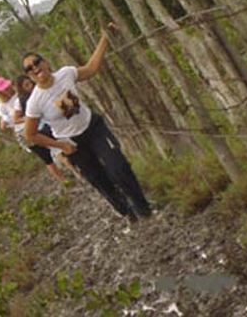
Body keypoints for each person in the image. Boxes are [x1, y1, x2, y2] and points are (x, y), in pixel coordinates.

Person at [22, 24, 151, 223]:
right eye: (29, 69)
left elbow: (91, 68)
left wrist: (104, 38)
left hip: (93, 128)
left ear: (45, 62)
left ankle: (144, 209)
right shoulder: (35, 102)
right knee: (99, 180)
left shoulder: (66, 74)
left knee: (118, 167)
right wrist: (60, 145)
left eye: (36, 62)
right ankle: (126, 212)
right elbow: (29, 135)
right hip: (72, 143)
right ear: (28, 76)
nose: (35, 68)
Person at [0, 76, 69, 185]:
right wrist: (9, 121)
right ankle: (62, 179)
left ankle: (71, 167)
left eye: (8, 86)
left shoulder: (18, 95)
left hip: (37, 124)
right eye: (5, 88)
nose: (8, 89)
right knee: (45, 156)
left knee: (56, 144)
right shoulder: (1, 105)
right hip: (23, 131)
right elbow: (6, 121)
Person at [14, 75, 83, 184]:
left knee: (63, 146)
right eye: (26, 85)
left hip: (51, 124)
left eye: (30, 83)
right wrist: (31, 119)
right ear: (21, 88)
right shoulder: (23, 101)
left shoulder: (40, 91)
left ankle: (76, 168)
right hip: (40, 129)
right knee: (56, 151)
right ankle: (73, 172)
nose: (30, 86)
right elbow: (16, 119)